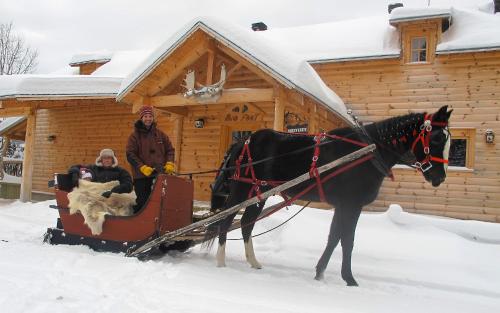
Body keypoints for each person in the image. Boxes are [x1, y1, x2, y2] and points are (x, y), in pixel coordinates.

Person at [126, 105, 175, 213]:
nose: (148, 119)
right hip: (141, 176)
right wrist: (142, 167)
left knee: (160, 201)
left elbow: (170, 150)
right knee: (143, 202)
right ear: (141, 118)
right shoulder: (134, 136)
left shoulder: (160, 134)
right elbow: (130, 154)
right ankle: (137, 224)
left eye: (150, 116)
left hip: (160, 173)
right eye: (145, 116)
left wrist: (170, 163)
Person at [68, 148, 133, 198]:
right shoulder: (93, 168)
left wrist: (114, 191)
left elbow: (128, 185)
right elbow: (75, 167)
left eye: (109, 158)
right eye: (104, 158)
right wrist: (75, 174)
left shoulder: (120, 171)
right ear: (101, 159)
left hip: (114, 197)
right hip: (95, 196)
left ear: (113, 159)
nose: (107, 160)